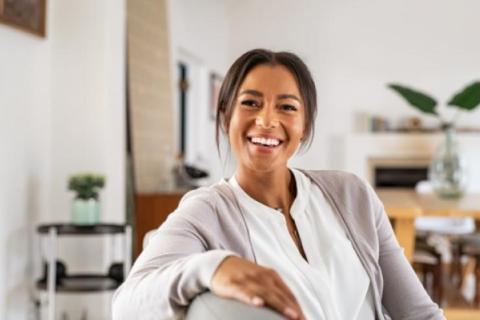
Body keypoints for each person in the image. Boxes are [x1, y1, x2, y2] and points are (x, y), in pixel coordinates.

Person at [112, 49, 445, 320]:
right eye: (251, 103)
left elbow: (419, 313)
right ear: (227, 116)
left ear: (304, 125)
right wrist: (213, 267)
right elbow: (126, 304)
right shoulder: (207, 212)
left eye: (287, 107)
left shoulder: (352, 195)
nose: (268, 121)